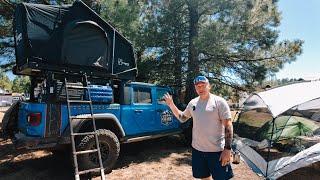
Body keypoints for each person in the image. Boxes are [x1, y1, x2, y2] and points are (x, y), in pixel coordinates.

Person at [164, 75, 234, 180]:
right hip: (198, 151)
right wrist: (171, 104)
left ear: (209, 86)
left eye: (203, 85)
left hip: (217, 151)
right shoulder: (193, 103)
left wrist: (227, 149)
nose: (200, 88)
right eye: (198, 86)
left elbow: (228, 125)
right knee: (204, 177)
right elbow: (182, 118)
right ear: (195, 88)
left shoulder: (219, 102)